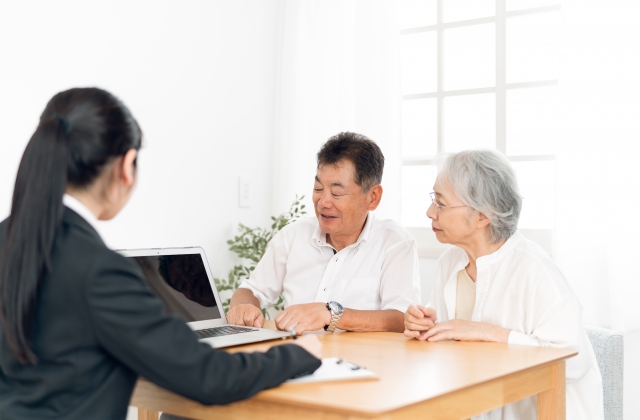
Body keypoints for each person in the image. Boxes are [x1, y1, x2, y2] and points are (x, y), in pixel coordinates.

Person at [0, 87, 322, 420]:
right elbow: (209, 377)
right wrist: (297, 355)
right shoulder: (99, 271)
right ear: (126, 166)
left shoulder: (8, 238)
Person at [403, 149, 603, 420]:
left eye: (440, 203)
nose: (429, 212)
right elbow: (447, 335)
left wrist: (491, 333)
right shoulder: (450, 261)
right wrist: (421, 323)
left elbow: (574, 361)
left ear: (482, 217)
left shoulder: (536, 270)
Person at [227, 132, 420, 334]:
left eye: (337, 193)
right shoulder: (293, 235)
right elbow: (250, 290)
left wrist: (331, 314)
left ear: (373, 197)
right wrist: (243, 307)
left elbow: (401, 318)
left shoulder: (395, 242)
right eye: (318, 188)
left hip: (360, 360)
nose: (323, 202)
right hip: (296, 356)